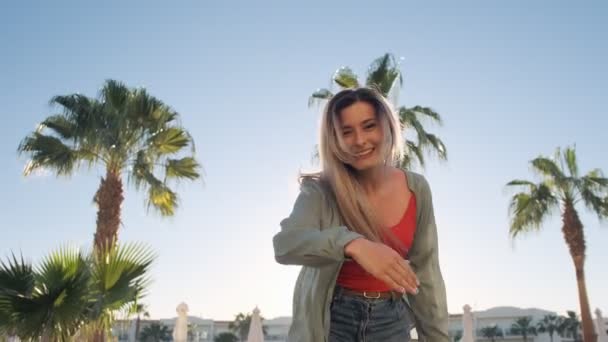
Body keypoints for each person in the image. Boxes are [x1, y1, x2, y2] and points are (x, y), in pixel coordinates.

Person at [273, 87, 449, 342]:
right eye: (347, 132)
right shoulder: (320, 191)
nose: (359, 140)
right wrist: (354, 244)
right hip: (331, 320)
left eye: (369, 126)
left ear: (388, 125)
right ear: (335, 139)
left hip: (392, 320)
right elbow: (285, 244)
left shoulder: (417, 189)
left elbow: (426, 273)